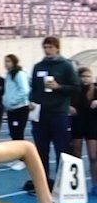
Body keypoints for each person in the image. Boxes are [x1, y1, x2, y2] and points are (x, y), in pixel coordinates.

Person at [27, 37, 79, 193]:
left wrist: (59, 87)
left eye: (50, 47)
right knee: (41, 151)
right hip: (40, 114)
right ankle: (42, 185)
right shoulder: (38, 66)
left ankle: (62, 183)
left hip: (59, 114)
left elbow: (75, 88)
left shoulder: (66, 66)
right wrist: (31, 101)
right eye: (45, 47)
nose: (47, 50)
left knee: (61, 150)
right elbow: (34, 89)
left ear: (57, 48)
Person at [69, 67, 96, 195]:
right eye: (83, 76)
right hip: (77, 125)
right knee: (76, 156)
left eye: (88, 76)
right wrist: (69, 108)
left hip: (93, 126)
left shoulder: (95, 90)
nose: (86, 79)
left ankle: (95, 184)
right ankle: (76, 185)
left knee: (94, 156)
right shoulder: (74, 91)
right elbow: (65, 103)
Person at [2, 54, 30, 170]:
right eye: (5, 61)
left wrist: (13, 101)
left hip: (20, 108)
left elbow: (25, 89)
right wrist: (6, 101)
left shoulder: (19, 74)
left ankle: (22, 159)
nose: (6, 63)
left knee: (18, 133)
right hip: (11, 109)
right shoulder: (9, 75)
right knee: (13, 133)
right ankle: (16, 157)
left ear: (14, 62)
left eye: (8, 61)